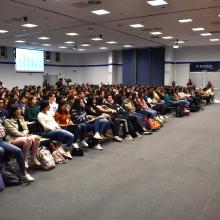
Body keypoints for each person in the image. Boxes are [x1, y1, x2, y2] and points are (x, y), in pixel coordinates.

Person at [4, 104, 41, 168]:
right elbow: (14, 132)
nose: (20, 110)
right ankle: (25, 159)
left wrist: (24, 134)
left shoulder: (21, 118)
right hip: (12, 138)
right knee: (28, 139)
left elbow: (26, 129)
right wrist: (24, 135)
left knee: (37, 138)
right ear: (13, 112)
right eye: (18, 109)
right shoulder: (7, 121)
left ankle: (34, 158)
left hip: (24, 136)